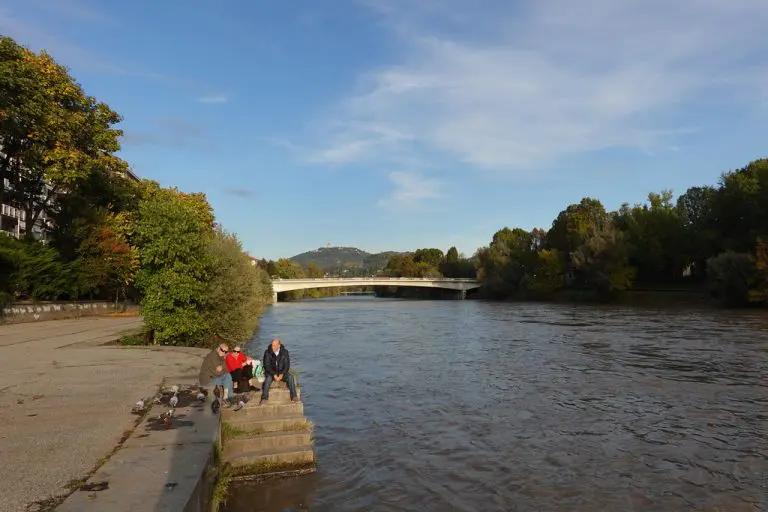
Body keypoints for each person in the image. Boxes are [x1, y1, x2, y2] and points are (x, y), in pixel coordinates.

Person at [260, 338, 298, 404]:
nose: (273, 347)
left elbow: (287, 365)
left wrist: (282, 374)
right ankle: (264, 398)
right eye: (272, 345)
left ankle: (294, 396)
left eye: (274, 345)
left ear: (279, 345)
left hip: (281, 372)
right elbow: (267, 365)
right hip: (271, 372)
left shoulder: (285, 352)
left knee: (290, 377)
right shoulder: (267, 352)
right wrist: (274, 374)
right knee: (268, 379)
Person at [199, 342, 235, 409]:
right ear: (218, 348)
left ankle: (228, 398)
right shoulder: (213, 357)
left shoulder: (219, 355)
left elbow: (226, 368)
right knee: (227, 376)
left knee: (228, 377)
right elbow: (218, 373)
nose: (223, 352)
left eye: (225, 352)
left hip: (213, 377)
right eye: (222, 350)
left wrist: (223, 367)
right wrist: (224, 367)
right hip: (207, 380)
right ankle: (226, 399)